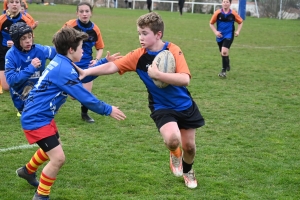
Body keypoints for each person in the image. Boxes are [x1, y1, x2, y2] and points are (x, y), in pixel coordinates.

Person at [75, 12, 205, 189]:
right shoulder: (138, 56)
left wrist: (159, 75)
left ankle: (188, 170)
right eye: (139, 33)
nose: (140, 37)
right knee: (172, 140)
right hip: (161, 106)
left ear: (158, 34)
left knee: (189, 147)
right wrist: (87, 72)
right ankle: (175, 153)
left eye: (145, 33)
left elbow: (185, 79)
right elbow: (114, 66)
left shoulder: (173, 50)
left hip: (184, 104)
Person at [16, 27, 126, 200]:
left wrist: (103, 61)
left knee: (52, 148)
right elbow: (86, 98)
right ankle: (41, 196)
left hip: (42, 116)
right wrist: (108, 109)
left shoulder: (62, 61)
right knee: (58, 159)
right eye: (82, 47)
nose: (84, 50)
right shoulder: (63, 69)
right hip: (36, 119)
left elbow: (81, 76)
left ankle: (27, 171)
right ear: (71, 50)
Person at [62, 2, 105, 123]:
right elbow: (59, 40)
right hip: (71, 63)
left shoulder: (95, 29)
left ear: (91, 13)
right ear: (77, 13)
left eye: (87, 11)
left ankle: (84, 114)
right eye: (81, 11)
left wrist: (96, 59)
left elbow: (100, 47)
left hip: (86, 65)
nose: (84, 14)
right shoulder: (70, 25)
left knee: (86, 93)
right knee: (73, 96)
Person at [5, 22, 56, 117]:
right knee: (26, 114)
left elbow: (59, 52)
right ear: (16, 41)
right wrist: (31, 68)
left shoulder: (39, 50)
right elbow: (11, 81)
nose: (28, 41)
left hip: (39, 93)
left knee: (38, 116)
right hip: (20, 95)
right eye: (23, 38)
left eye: (30, 36)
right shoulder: (11, 55)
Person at [0, 0, 34, 94]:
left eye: (17, 2)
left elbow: (31, 41)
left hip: (21, 55)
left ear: (20, 4)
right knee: (6, 87)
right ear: (7, 5)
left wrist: (17, 44)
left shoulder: (26, 20)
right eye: (11, 2)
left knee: (23, 82)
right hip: (3, 55)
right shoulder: (1, 20)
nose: (14, 4)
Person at [209, 0, 243, 78]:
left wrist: (237, 31)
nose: (225, 3)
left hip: (229, 35)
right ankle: (227, 61)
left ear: (230, 4)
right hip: (220, 36)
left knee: (224, 51)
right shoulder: (217, 13)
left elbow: (240, 22)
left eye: (227, 2)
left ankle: (223, 72)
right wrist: (216, 32)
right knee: (223, 53)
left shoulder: (233, 13)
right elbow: (211, 23)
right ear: (222, 3)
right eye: (224, 2)